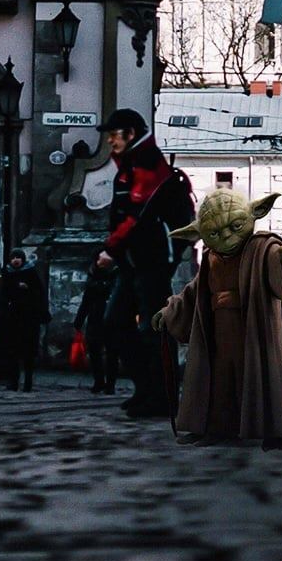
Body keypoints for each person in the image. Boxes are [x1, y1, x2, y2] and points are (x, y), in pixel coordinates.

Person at [156, 190, 282, 446]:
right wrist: (169, 311)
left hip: (252, 329)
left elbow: (278, 263)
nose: (227, 237)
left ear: (256, 213)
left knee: (260, 377)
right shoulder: (210, 258)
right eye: (214, 233)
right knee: (219, 381)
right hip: (218, 331)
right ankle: (216, 430)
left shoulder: (262, 248)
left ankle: (278, 431)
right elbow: (194, 292)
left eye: (235, 226)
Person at [97, 107, 185, 419]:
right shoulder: (131, 164)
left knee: (153, 326)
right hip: (134, 260)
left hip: (152, 258)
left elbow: (137, 215)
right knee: (115, 322)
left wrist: (111, 249)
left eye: (114, 135)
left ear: (131, 134)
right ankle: (146, 389)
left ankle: (162, 396)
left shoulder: (147, 163)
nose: (110, 141)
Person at [0, 248, 49, 391]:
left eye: (18, 257)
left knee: (28, 353)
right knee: (12, 352)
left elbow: (39, 294)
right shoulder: (7, 273)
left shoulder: (30, 272)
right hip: (12, 320)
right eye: (13, 258)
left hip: (29, 319)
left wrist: (28, 290)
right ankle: (13, 382)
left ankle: (28, 382)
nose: (15, 260)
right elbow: (3, 296)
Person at [73, 252, 120, 393]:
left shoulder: (117, 275)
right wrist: (79, 320)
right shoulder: (93, 274)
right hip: (95, 318)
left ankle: (110, 384)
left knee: (112, 352)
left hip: (111, 318)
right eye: (100, 258)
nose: (102, 260)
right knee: (94, 351)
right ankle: (99, 381)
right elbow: (86, 301)